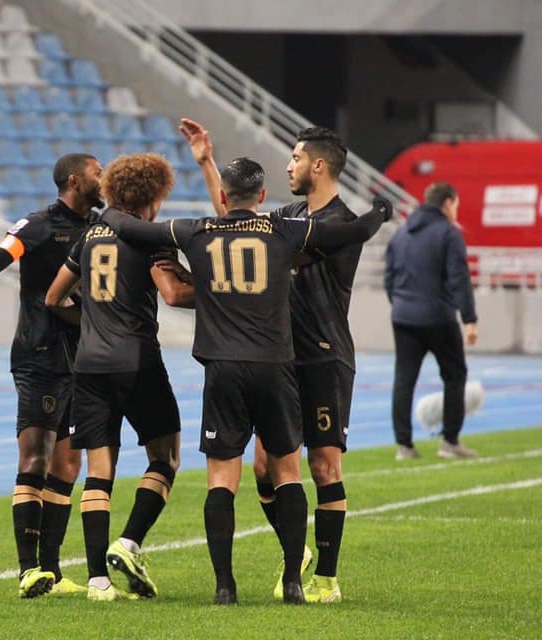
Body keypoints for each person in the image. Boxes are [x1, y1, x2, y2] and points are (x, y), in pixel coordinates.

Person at [100, 156, 392, 605]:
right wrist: (380, 212)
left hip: (222, 368)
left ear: (222, 197)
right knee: (287, 471)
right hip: (276, 367)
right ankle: (294, 581)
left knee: (222, 479)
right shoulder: (283, 230)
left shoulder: (195, 230)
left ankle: (224, 587)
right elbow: (351, 233)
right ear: (260, 197)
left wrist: (108, 209)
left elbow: (135, 230)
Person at [180, 119, 365, 604]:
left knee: (324, 467)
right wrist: (206, 163)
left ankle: (326, 577)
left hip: (322, 355)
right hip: (276, 361)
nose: (289, 165)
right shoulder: (288, 215)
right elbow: (234, 214)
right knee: (265, 468)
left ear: (318, 165)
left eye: (297, 158)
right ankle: (296, 551)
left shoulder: (339, 223)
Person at [0, 154, 104, 598]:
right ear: (74, 180)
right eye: (97, 172)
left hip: (81, 359)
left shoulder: (102, 226)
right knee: (36, 458)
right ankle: (28, 568)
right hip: (40, 355)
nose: (103, 179)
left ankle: (52, 570)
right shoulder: (38, 225)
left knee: (69, 464)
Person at [45, 153, 194, 602]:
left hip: (89, 365)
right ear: (152, 195)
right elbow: (171, 293)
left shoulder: (90, 235)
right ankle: (128, 542)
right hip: (138, 361)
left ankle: (97, 582)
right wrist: (223, 294)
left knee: (98, 471)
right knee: (165, 457)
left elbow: (54, 298)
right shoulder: (149, 238)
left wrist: (89, 323)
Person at [385, 181, 478, 461]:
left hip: (403, 316)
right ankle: (450, 442)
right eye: (456, 206)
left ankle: (404, 446)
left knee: (404, 380)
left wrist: (401, 305)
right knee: (454, 375)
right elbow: (459, 279)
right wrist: (470, 320)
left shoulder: (401, 234)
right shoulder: (448, 234)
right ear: (448, 203)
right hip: (438, 317)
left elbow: (389, 278)